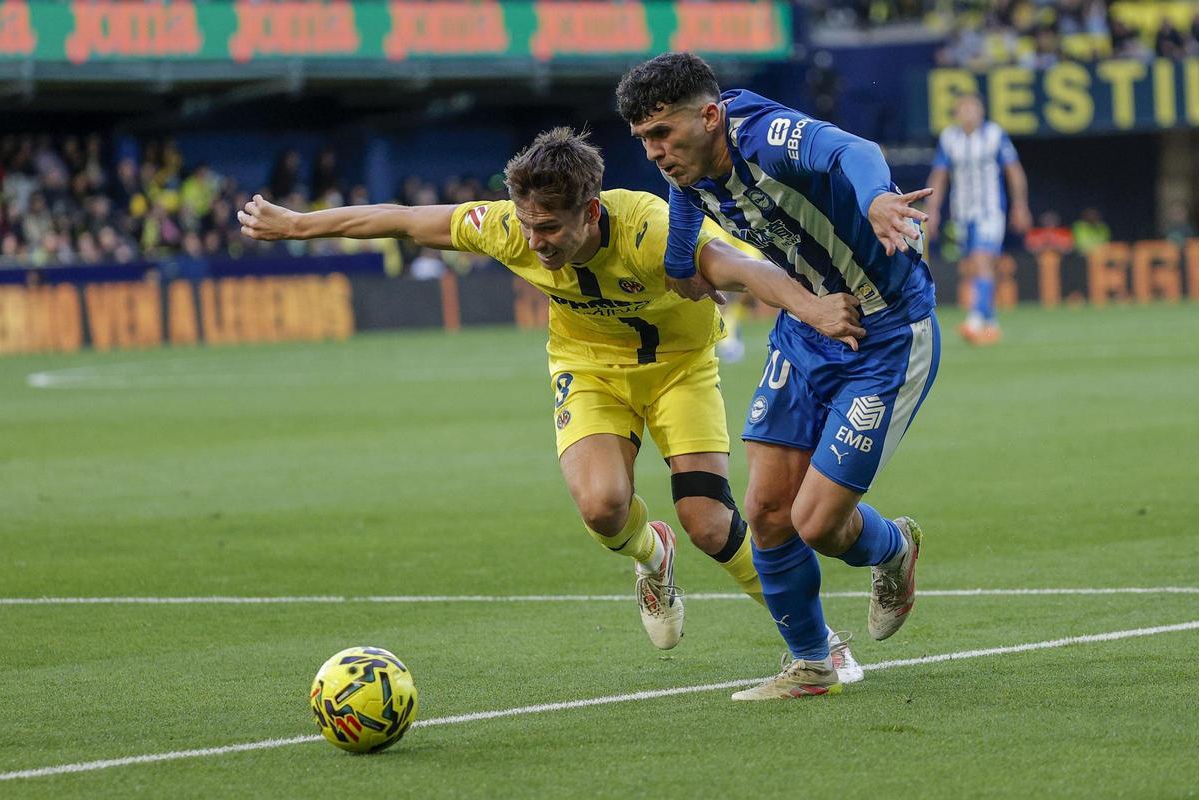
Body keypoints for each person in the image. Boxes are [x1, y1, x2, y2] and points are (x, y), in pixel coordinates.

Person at [240, 127, 864, 679]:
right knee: (601, 508)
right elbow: (404, 219)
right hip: (588, 370)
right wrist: (296, 224)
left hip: (679, 371)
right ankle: (652, 555)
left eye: (549, 228)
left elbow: (737, 266)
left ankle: (815, 642)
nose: (534, 241)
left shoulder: (649, 227)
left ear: (590, 212)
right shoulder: (511, 228)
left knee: (708, 522)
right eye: (527, 224)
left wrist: (811, 307)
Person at [617, 52, 939, 700]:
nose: (654, 153)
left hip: (885, 332)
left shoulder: (765, 135)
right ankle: (810, 664)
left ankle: (892, 549)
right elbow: (685, 197)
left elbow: (850, 148)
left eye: (662, 134)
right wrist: (682, 261)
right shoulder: (693, 164)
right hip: (806, 327)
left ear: (710, 117)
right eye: (643, 140)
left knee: (817, 523)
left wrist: (876, 198)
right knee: (766, 511)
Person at [925, 93, 1031, 345]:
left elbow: (1014, 170)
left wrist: (1020, 205)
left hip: (990, 210)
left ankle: (974, 319)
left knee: (983, 258)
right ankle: (991, 323)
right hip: (962, 212)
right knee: (973, 264)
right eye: (963, 109)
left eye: (973, 109)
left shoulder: (995, 135)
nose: (968, 114)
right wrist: (934, 210)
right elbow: (939, 176)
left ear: (981, 111)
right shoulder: (949, 138)